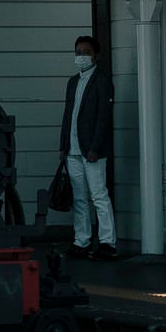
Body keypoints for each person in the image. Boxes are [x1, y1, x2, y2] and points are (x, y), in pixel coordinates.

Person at [60, 34, 117, 260]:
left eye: (86, 52)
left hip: (92, 150)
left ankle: (107, 242)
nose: (81, 57)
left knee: (99, 195)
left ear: (96, 56)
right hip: (73, 149)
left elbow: (104, 117)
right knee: (79, 198)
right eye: (78, 52)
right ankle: (81, 241)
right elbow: (68, 116)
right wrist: (63, 145)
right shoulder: (73, 82)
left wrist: (95, 148)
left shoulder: (102, 81)